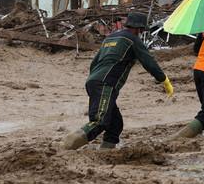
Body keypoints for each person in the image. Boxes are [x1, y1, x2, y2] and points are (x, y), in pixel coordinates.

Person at [62, 12, 174, 150]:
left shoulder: (110, 38)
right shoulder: (132, 40)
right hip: (105, 84)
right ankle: (68, 145)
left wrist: (95, 79)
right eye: (141, 30)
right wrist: (164, 79)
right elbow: (148, 61)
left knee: (115, 123)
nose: (141, 33)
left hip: (93, 81)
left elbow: (95, 62)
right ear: (139, 29)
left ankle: (106, 151)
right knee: (100, 121)